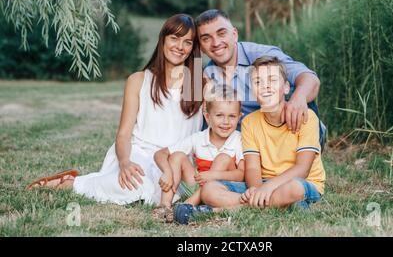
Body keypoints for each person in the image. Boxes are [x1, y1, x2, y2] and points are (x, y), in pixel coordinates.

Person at [26, 14, 203, 206]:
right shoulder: (139, 80)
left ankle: (86, 181)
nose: (179, 47)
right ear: (163, 40)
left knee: (166, 194)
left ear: (193, 48)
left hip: (175, 162)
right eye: (174, 39)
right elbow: (124, 134)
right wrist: (125, 162)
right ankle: (72, 183)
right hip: (139, 154)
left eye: (187, 42)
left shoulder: (201, 85)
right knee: (135, 186)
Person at [180, 56, 326, 221]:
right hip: (262, 183)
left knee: (294, 189)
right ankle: (281, 205)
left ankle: (218, 211)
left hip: (301, 182)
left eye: (272, 80)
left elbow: (302, 169)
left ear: (286, 87)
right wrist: (256, 189)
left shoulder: (306, 117)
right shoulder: (250, 122)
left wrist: (267, 188)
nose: (265, 86)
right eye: (258, 82)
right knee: (209, 190)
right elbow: (253, 168)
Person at [196, 9, 325, 148]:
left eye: (221, 34)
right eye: (206, 38)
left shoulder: (262, 55)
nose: (216, 43)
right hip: (251, 140)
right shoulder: (207, 76)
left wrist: (298, 98)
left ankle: (302, 151)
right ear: (201, 47)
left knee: (297, 94)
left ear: (234, 35)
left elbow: (309, 78)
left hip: (288, 132)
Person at [153, 85, 244, 224]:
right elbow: (161, 153)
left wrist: (215, 176)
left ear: (239, 117)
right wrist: (167, 172)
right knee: (177, 156)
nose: (226, 122)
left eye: (232, 116)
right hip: (198, 186)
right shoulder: (198, 138)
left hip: (221, 190)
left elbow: (242, 175)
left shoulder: (239, 140)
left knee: (223, 158)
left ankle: (190, 205)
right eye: (219, 115)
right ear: (207, 116)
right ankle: (164, 207)